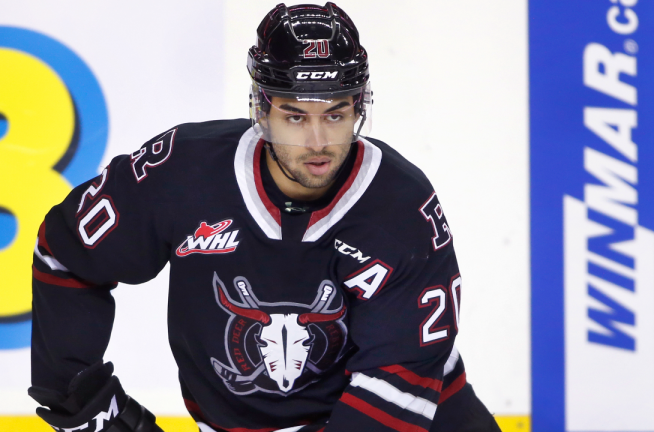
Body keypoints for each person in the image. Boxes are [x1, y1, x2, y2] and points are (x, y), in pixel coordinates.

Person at [28, 3, 502, 431]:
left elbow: (395, 385)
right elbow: (66, 255)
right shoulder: (182, 173)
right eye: (296, 116)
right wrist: (77, 397)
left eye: (336, 115)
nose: (319, 142)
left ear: (359, 106)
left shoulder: (402, 208)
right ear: (262, 108)